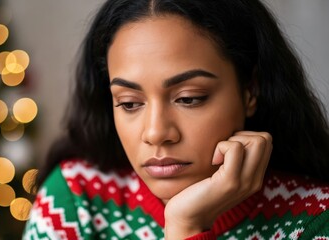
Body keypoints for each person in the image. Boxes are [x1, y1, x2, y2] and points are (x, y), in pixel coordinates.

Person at [22, 0, 329, 239]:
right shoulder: (76, 198)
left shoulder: (316, 218)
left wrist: (187, 227)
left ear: (250, 90)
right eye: (129, 104)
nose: (156, 133)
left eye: (188, 98)